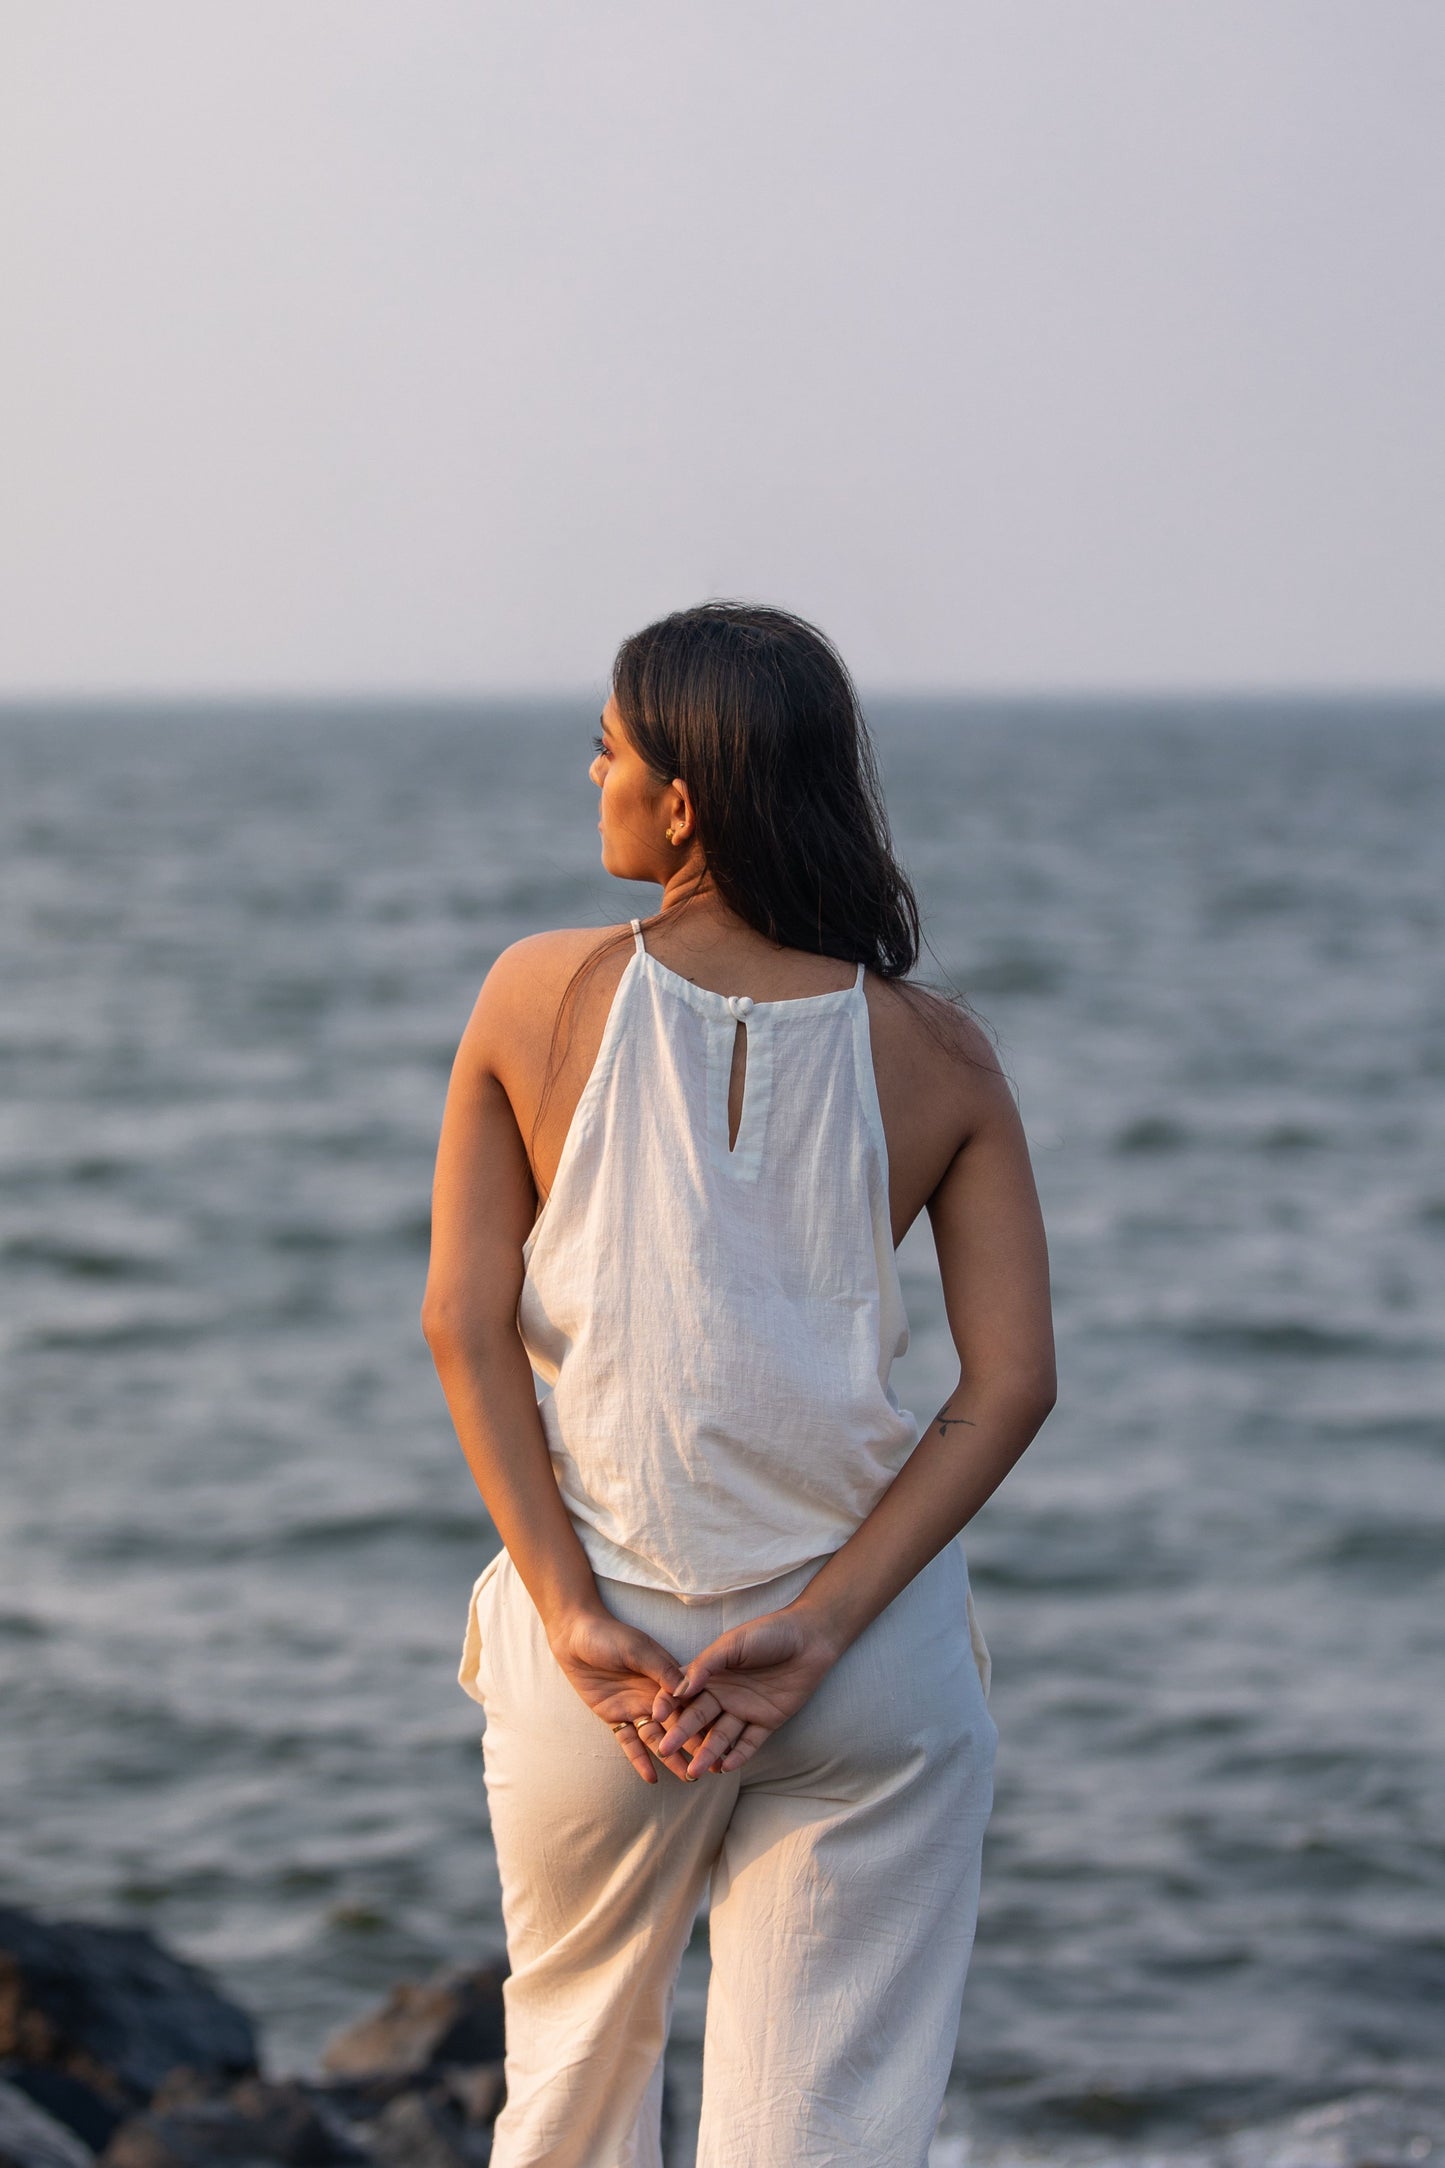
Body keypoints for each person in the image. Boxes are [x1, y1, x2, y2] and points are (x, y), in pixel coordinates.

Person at [422, 602, 1055, 2168]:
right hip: (859, 1661)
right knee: (820, 2134)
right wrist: (821, 1628)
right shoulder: (941, 1055)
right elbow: (1010, 1385)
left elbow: (460, 1326)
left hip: (613, 1660)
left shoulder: (534, 994)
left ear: (682, 803)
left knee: (568, 2102)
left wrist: (570, 1612)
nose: (592, 776)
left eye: (608, 752)